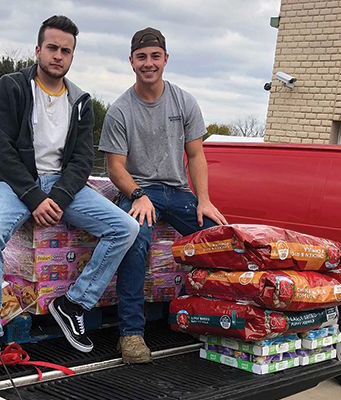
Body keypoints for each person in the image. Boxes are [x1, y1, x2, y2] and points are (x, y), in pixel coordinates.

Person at [0, 15, 139, 373]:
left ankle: (73, 304)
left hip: (64, 186)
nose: (58, 55)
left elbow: (82, 159)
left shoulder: (80, 100)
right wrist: (35, 197)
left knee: (126, 228)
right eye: (52, 47)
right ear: (38, 50)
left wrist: (59, 199)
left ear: (72, 56)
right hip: (14, 183)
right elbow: (0, 149)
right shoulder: (12, 86)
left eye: (66, 50)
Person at [99, 27, 229, 364]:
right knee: (135, 236)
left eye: (155, 56)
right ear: (131, 61)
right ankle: (130, 334)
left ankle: (196, 315)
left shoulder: (184, 101)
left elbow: (196, 156)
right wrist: (138, 195)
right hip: (139, 190)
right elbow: (115, 167)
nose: (148, 63)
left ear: (166, 59)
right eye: (141, 57)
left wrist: (203, 200)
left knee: (218, 239)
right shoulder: (120, 110)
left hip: (178, 191)